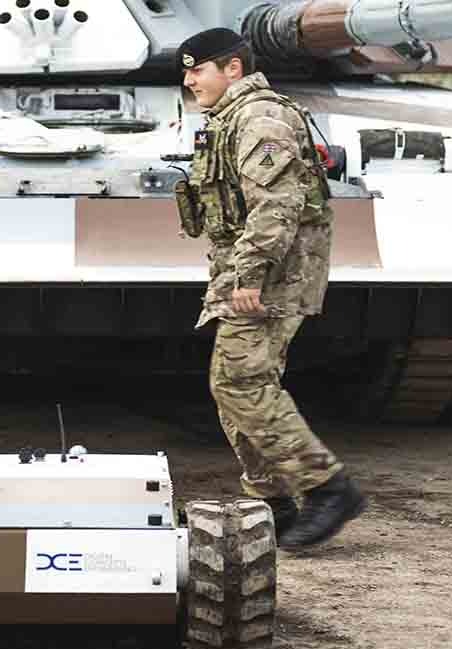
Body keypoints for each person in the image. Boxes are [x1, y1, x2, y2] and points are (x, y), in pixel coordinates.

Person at [176, 28, 365, 548]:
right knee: (234, 385)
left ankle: (327, 487)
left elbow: (275, 206)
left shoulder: (260, 117)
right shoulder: (230, 118)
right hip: (250, 272)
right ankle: (272, 501)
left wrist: (248, 276)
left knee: (240, 382)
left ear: (232, 68)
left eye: (198, 69)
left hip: (271, 275)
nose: (190, 81)